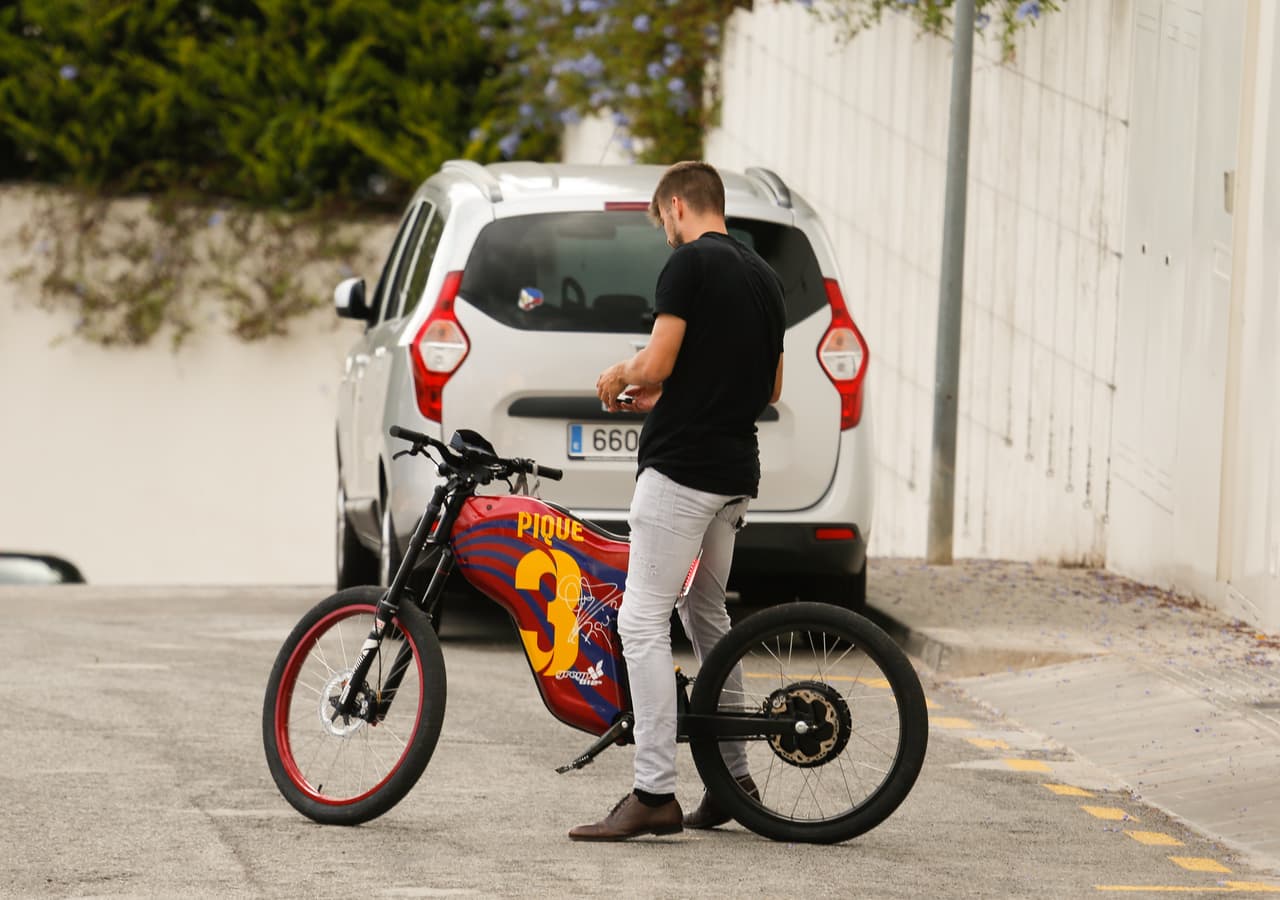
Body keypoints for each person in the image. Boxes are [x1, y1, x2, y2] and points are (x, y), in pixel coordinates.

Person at [571, 161, 786, 841]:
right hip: (734, 471)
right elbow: (767, 388)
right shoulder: (765, 278)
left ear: (675, 207)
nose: (665, 231)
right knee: (707, 614)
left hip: (682, 472)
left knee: (640, 624)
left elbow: (657, 363)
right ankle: (733, 781)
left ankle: (653, 790)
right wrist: (666, 395)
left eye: (662, 220)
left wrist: (620, 375)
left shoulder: (689, 266)